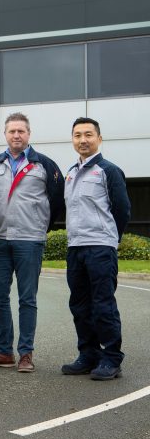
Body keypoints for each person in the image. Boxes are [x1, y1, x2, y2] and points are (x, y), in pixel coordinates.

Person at [0, 113, 64, 373]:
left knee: (27, 298)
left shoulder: (45, 164)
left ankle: (26, 353)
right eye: (12, 131)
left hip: (30, 240)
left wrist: (41, 227)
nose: (16, 135)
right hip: (1, 239)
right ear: (5, 134)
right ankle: (4, 352)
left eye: (21, 131)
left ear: (29, 134)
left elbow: (57, 201)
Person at [61, 117, 130, 381]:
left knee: (103, 304)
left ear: (99, 139)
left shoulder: (108, 170)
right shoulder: (70, 173)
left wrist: (111, 237)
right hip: (75, 248)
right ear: (73, 140)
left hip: (100, 247)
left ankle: (112, 358)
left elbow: (122, 209)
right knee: (79, 305)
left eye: (88, 134)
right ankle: (88, 355)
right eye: (77, 135)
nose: (83, 140)